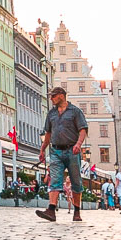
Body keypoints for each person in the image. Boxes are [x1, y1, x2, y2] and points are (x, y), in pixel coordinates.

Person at [36, 86, 89, 222]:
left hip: (72, 150)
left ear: (61, 95)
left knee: (76, 181)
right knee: (55, 179)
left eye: (53, 96)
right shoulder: (51, 114)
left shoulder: (75, 111)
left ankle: (77, 212)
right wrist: (42, 150)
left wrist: (78, 144)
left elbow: (83, 129)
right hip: (55, 151)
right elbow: (48, 133)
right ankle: (51, 210)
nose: (51, 98)